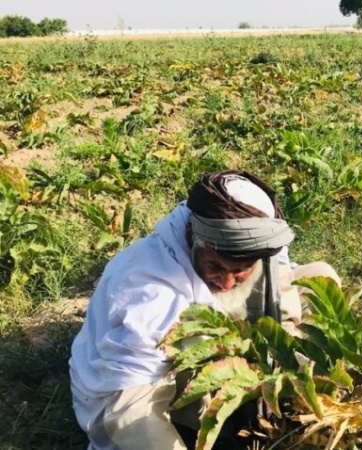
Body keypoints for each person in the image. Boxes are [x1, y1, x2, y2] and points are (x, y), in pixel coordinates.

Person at [69, 170, 340, 450]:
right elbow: (129, 410)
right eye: (214, 266)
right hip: (128, 392)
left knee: (320, 280)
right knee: (196, 338)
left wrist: (284, 358)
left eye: (240, 271)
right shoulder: (150, 293)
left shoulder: (260, 231)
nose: (225, 281)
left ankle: (292, 403)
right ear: (191, 235)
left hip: (226, 342)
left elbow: (278, 276)